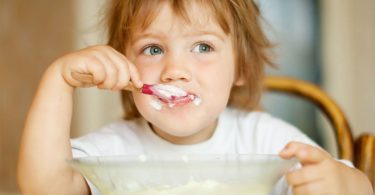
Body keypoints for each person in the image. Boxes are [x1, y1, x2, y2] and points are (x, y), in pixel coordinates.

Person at [17, 0, 373, 195]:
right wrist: (58, 80)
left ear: (241, 69)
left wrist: (343, 186)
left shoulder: (265, 141)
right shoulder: (115, 152)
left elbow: (355, 186)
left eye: (203, 46)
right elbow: (44, 187)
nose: (175, 69)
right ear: (123, 68)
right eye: (153, 49)